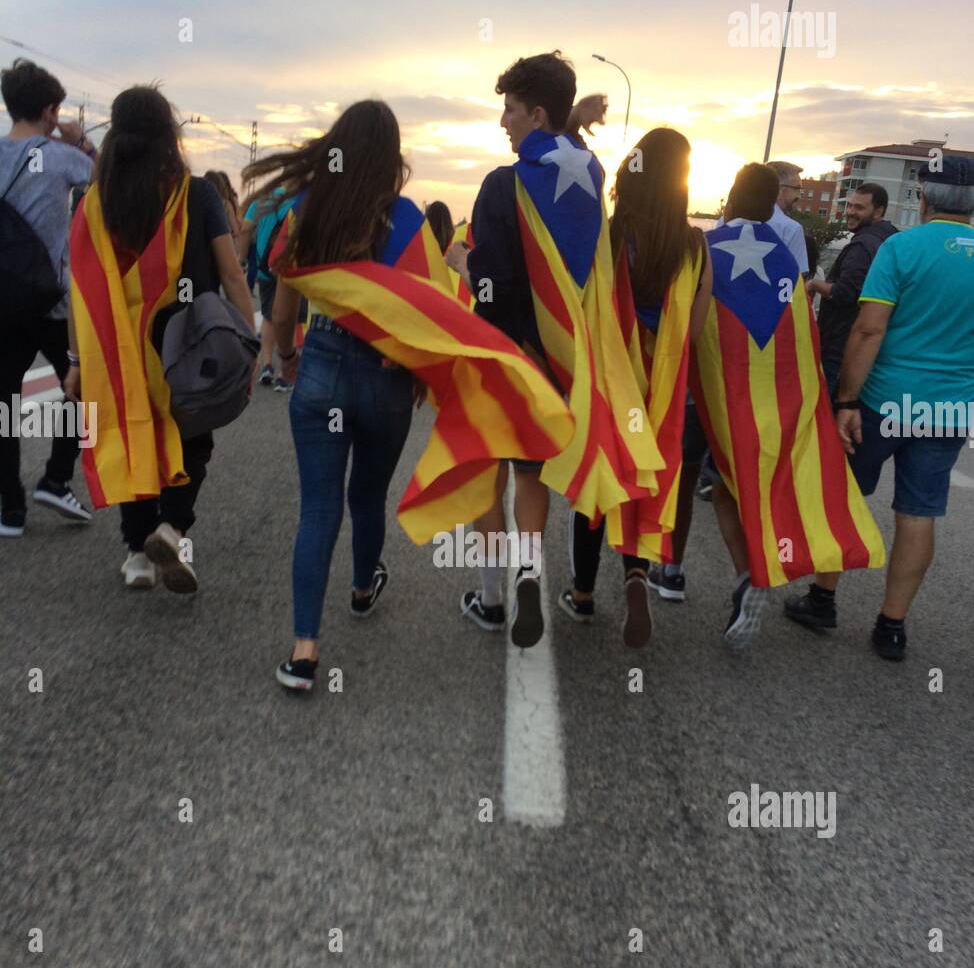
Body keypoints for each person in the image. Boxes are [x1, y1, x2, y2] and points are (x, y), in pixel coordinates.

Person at [446, 53, 658, 648]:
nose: (502, 122)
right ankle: (594, 578)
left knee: (521, 473)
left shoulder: (501, 184)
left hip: (519, 357)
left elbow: (495, 286)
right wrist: (576, 112)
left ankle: (525, 575)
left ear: (536, 114)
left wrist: (463, 262)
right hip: (579, 360)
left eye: (510, 110)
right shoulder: (589, 175)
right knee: (569, 465)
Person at [245, 101, 422, 693]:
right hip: (386, 376)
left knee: (318, 510)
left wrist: (289, 358)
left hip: (321, 363)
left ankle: (303, 650)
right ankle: (363, 588)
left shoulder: (308, 210)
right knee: (367, 496)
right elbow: (420, 314)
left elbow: (286, 301)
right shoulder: (408, 220)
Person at [784, 155, 974, 661]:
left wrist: (846, 398)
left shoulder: (901, 248)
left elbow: (869, 329)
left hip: (883, 398)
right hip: (949, 410)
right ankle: (892, 626)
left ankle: (823, 599)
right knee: (919, 513)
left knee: (845, 494)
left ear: (925, 198)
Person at [65, 85, 254, 591]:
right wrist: (250, 341)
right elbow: (233, 274)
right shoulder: (196, 194)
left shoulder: (93, 204)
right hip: (187, 348)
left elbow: (80, 290)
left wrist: (77, 360)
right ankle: (172, 527)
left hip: (119, 353)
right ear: (170, 135)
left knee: (133, 435)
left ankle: (136, 555)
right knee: (192, 437)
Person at [691, 163, 884, 650]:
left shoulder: (707, 246)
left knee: (724, 481)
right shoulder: (785, 247)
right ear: (775, 200)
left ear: (731, 199)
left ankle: (746, 571)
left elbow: (693, 312)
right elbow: (800, 316)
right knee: (767, 477)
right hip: (778, 387)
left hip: (724, 386)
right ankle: (759, 567)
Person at [558, 127, 712, 640]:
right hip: (661, 392)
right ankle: (636, 575)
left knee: (601, 480)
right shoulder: (694, 246)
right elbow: (695, 324)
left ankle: (581, 594)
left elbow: (584, 303)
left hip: (613, 381)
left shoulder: (611, 233)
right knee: (645, 481)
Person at [0, 58, 96, 537]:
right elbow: (106, 180)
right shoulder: (59, 157)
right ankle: (56, 479)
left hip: (2, 303)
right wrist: (79, 140)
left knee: (2, 400)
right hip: (53, 302)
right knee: (84, 387)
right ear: (50, 109)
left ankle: (9, 508)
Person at [806, 183, 896, 397]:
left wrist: (814, 284)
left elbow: (845, 293)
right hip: (872, 351)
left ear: (878, 211)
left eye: (859, 208)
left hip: (841, 346)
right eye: (850, 206)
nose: (851, 212)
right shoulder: (891, 240)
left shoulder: (862, 246)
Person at [238, 185, 296, 388]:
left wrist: (242, 261)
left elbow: (245, 230)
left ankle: (267, 365)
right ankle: (285, 372)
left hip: (265, 268)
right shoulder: (298, 200)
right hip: (290, 270)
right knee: (291, 316)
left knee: (269, 316)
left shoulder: (260, 201)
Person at [765, 160, 809, 275]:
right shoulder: (791, 228)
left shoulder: (729, 219)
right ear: (780, 188)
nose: (799, 196)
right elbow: (798, 278)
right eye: (797, 188)